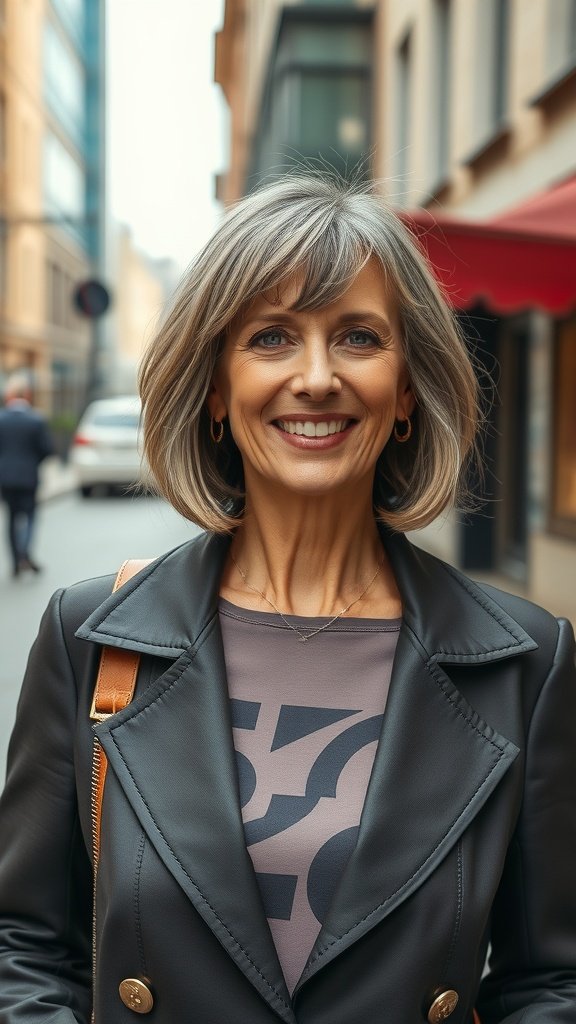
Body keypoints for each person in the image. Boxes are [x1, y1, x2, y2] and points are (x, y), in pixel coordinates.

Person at [0, 175, 574, 1024]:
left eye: (359, 337)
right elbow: (24, 948)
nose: (316, 377)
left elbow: (552, 981)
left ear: (408, 388)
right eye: (271, 337)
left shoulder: (524, 661)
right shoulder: (92, 637)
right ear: (215, 390)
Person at [0, 374, 54, 577]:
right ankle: (25, 553)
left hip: (5, 478)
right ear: (28, 395)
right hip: (29, 477)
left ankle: (15, 562)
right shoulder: (36, 420)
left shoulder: (1, 419)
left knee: (11, 518)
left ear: (9, 395)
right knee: (30, 517)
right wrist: (32, 463)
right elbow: (47, 449)